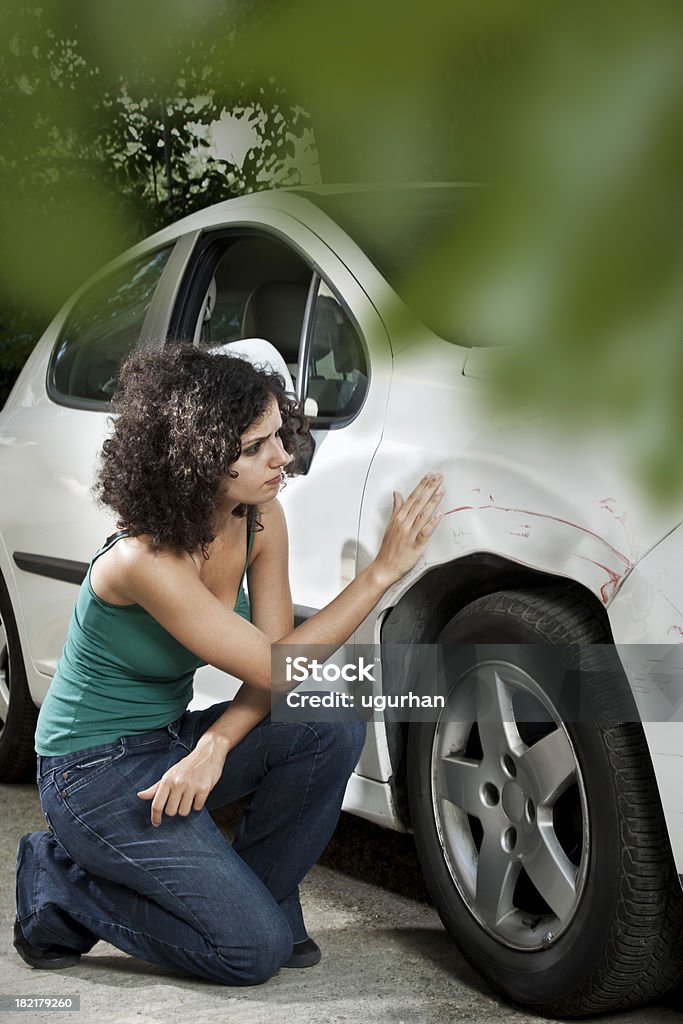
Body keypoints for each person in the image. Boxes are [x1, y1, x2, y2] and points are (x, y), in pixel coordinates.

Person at [14, 343, 443, 985]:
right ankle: (61, 882)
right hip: (90, 774)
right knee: (250, 955)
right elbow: (277, 669)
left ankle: (258, 898)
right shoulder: (143, 562)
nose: (282, 457)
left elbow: (278, 678)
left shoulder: (259, 517)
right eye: (253, 448)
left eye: (278, 433)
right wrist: (380, 572)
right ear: (195, 461)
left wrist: (215, 743)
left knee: (329, 719)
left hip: (165, 743)